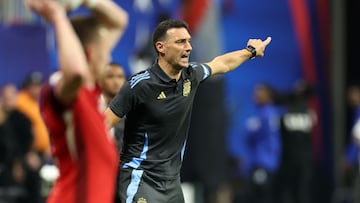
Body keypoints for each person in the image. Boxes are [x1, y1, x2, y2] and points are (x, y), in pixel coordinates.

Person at [104, 19, 271, 203]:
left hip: (172, 184)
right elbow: (102, 125)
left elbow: (222, 64)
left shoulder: (192, 75)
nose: (189, 47)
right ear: (161, 47)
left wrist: (250, 52)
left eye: (189, 41)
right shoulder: (140, 85)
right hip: (141, 180)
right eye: (180, 42)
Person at [24, 0, 128, 202]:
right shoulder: (65, 89)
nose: (108, 59)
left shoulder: (92, 92)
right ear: (90, 54)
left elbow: (120, 22)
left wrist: (86, 2)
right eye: (104, 53)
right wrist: (57, 15)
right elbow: (76, 72)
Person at [99, 62, 127, 151]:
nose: (116, 81)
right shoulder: (96, 108)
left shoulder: (133, 110)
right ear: (100, 81)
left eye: (120, 77)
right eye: (110, 76)